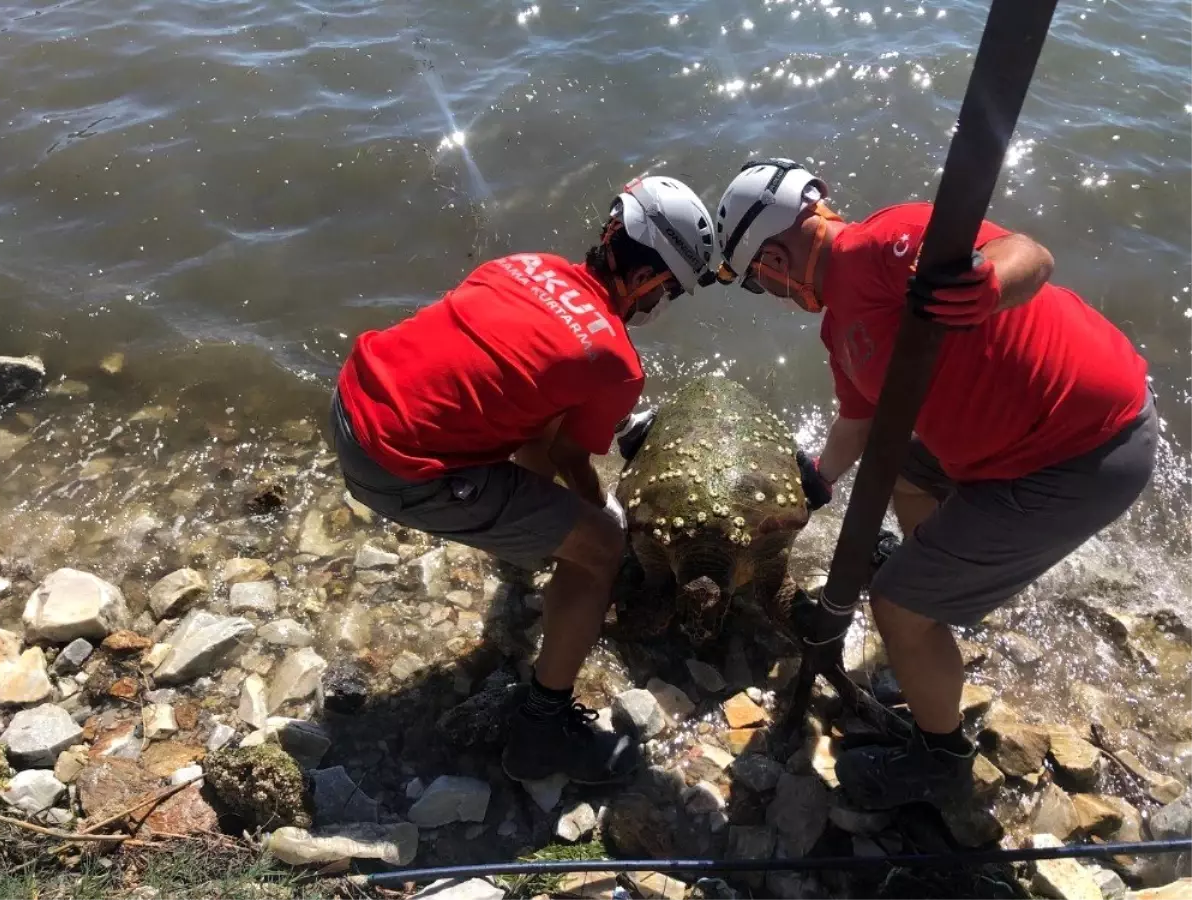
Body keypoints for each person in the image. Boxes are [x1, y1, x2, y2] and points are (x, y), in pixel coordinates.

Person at [714, 158, 1155, 809]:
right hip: (1009, 453)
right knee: (903, 464)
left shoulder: (885, 242)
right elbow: (859, 425)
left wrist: (986, 284)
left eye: (757, 281)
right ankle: (933, 603)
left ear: (775, 255)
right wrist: (810, 487)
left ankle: (940, 758)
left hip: (1082, 451)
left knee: (895, 604)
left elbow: (1026, 254)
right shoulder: (840, 329)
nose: (771, 294)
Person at [331, 175, 716, 785]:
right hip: (396, 467)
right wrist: (607, 527)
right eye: (668, 292)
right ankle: (542, 731)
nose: (658, 305)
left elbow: (528, 420)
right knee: (600, 553)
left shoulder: (524, 264)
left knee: (536, 424)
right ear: (648, 280)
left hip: (351, 402)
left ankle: (522, 562)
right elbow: (570, 459)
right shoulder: (613, 358)